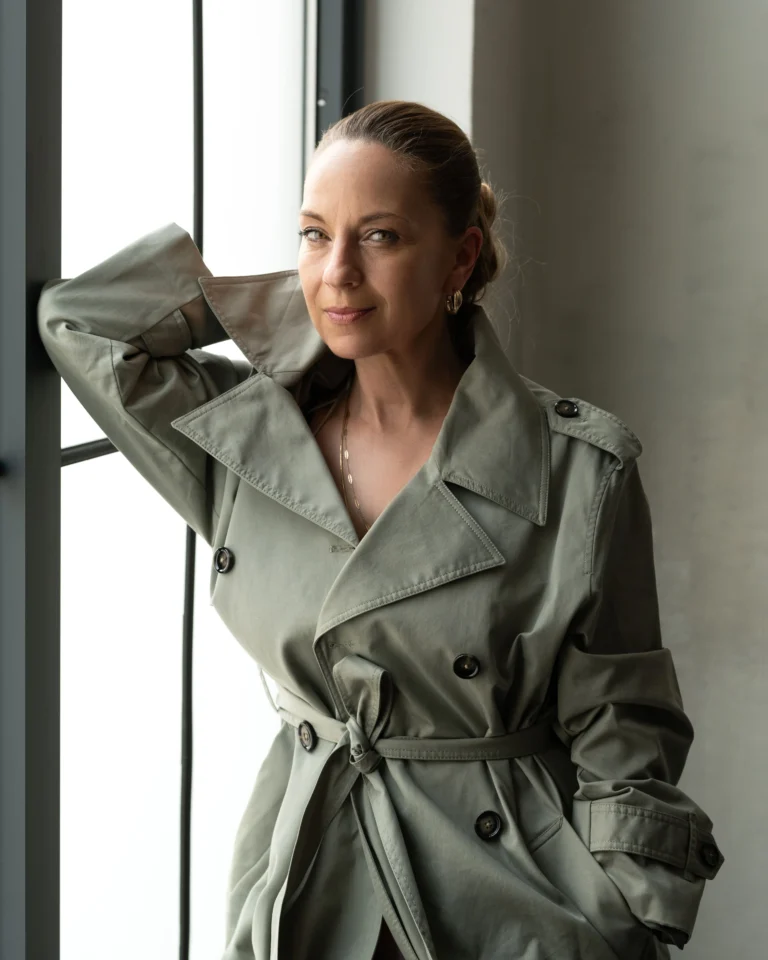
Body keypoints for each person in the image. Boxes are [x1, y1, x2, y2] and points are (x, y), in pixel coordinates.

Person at [38, 100, 722, 960]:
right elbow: (81, 322)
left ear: (461, 257)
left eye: (381, 237)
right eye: (314, 234)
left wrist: (623, 913)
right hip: (310, 877)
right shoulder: (251, 443)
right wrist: (301, 306)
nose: (339, 270)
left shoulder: (579, 470)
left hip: (514, 901)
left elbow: (624, 724)